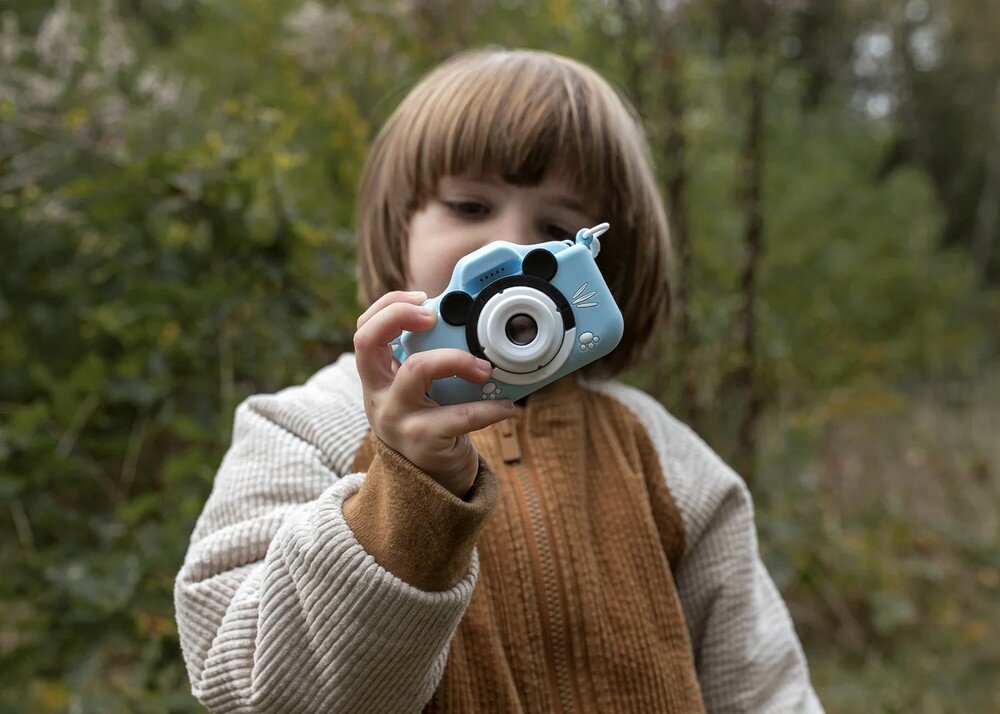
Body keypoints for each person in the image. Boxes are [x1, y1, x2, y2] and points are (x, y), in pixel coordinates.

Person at [174, 48, 824, 713]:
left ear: (603, 270)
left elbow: (765, 688)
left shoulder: (666, 458)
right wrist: (409, 494)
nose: (510, 250)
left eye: (555, 229)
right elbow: (253, 684)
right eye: (470, 205)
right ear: (400, 226)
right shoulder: (304, 429)